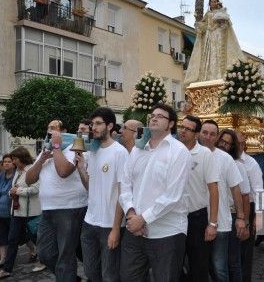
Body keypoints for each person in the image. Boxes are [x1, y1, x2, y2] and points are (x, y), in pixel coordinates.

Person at [119, 103, 191, 282]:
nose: (154, 117)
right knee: (128, 277)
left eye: (160, 116)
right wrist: (131, 214)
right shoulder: (137, 149)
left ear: (171, 124)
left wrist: (142, 219)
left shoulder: (179, 151)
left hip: (167, 233)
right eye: (152, 115)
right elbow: (125, 184)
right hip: (135, 231)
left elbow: (172, 195)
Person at [25, 119, 88, 282]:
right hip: (48, 209)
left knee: (65, 256)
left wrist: (57, 146)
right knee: (45, 253)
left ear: (63, 131)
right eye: (48, 128)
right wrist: (41, 159)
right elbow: (29, 179)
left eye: (54, 128)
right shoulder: (46, 150)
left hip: (70, 208)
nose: (49, 131)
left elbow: (64, 171)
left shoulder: (76, 146)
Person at [75, 107, 129, 282]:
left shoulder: (120, 152)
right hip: (89, 222)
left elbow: (123, 193)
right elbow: (90, 187)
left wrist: (115, 229)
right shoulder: (93, 151)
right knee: (91, 273)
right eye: (92, 124)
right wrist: (81, 168)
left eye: (98, 123)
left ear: (110, 125)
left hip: (109, 225)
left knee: (110, 276)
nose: (94, 128)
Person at [198, 120, 247, 282]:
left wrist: (241, 218)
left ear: (216, 137)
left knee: (219, 267)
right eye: (204, 132)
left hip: (220, 222)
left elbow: (236, 189)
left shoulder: (225, 158)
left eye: (212, 134)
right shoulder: (188, 153)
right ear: (199, 132)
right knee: (199, 266)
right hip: (195, 220)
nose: (207, 137)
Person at [177, 115, 220, 282]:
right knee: (174, 265)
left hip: (197, 219)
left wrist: (213, 223)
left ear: (196, 134)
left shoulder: (204, 154)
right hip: (174, 218)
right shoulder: (173, 151)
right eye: (182, 127)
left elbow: (214, 190)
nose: (183, 131)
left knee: (199, 267)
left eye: (188, 129)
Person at [0, 147, 42, 279]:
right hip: (17, 211)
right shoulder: (17, 172)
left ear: (22, 158)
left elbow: (36, 189)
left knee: (36, 238)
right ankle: (6, 269)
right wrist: (11, 192)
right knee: (12, 240)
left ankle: (44, 260)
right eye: (12, 160)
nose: (13, 162)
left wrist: (17, 192)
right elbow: (11, 189)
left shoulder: (32, 169)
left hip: (31, 212)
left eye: (15, 159)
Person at [184, 0, 246, 84]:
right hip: (209, 38)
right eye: (212, 2)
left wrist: (221, 14)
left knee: (219, 54)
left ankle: (219, 75)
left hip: (219, 36)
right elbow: (204, 25)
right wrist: (199, 25)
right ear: (209, 4)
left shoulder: (221, 12)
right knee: (209, 56)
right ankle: (208, 77)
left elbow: (225, 24)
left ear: (217, 3)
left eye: (215, 1)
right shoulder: (208, 14)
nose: (213, 3)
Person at [216, 129, 250, 282]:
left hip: (231, 214)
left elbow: (245, 196)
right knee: (216, 262)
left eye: (228, 144)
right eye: (222, 141)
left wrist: (244, 221)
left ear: (233, 147)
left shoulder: (238, 165)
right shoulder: (210, 159)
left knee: (232, 261)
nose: (224, 145)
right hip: (212, 215)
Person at [236, 131, 264, 282]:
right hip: (232, 209)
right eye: (235, 142)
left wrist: (257, 216)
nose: (237, 145)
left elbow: (258, 190)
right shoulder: (227, 159)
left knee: (245, 251)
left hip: (249, 208)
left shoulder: (251, 163)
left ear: (244, 144)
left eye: (240, 143)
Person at [0, 154, 16, 269]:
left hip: (12, 212)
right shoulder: (0, 176)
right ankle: (3, 259)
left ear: (14, 163)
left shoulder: (17, 175)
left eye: (9, 161)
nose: (6, 163)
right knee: (1, 236)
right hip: (0, 212)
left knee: (18, 236)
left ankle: (33, 250)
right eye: (4, 161)